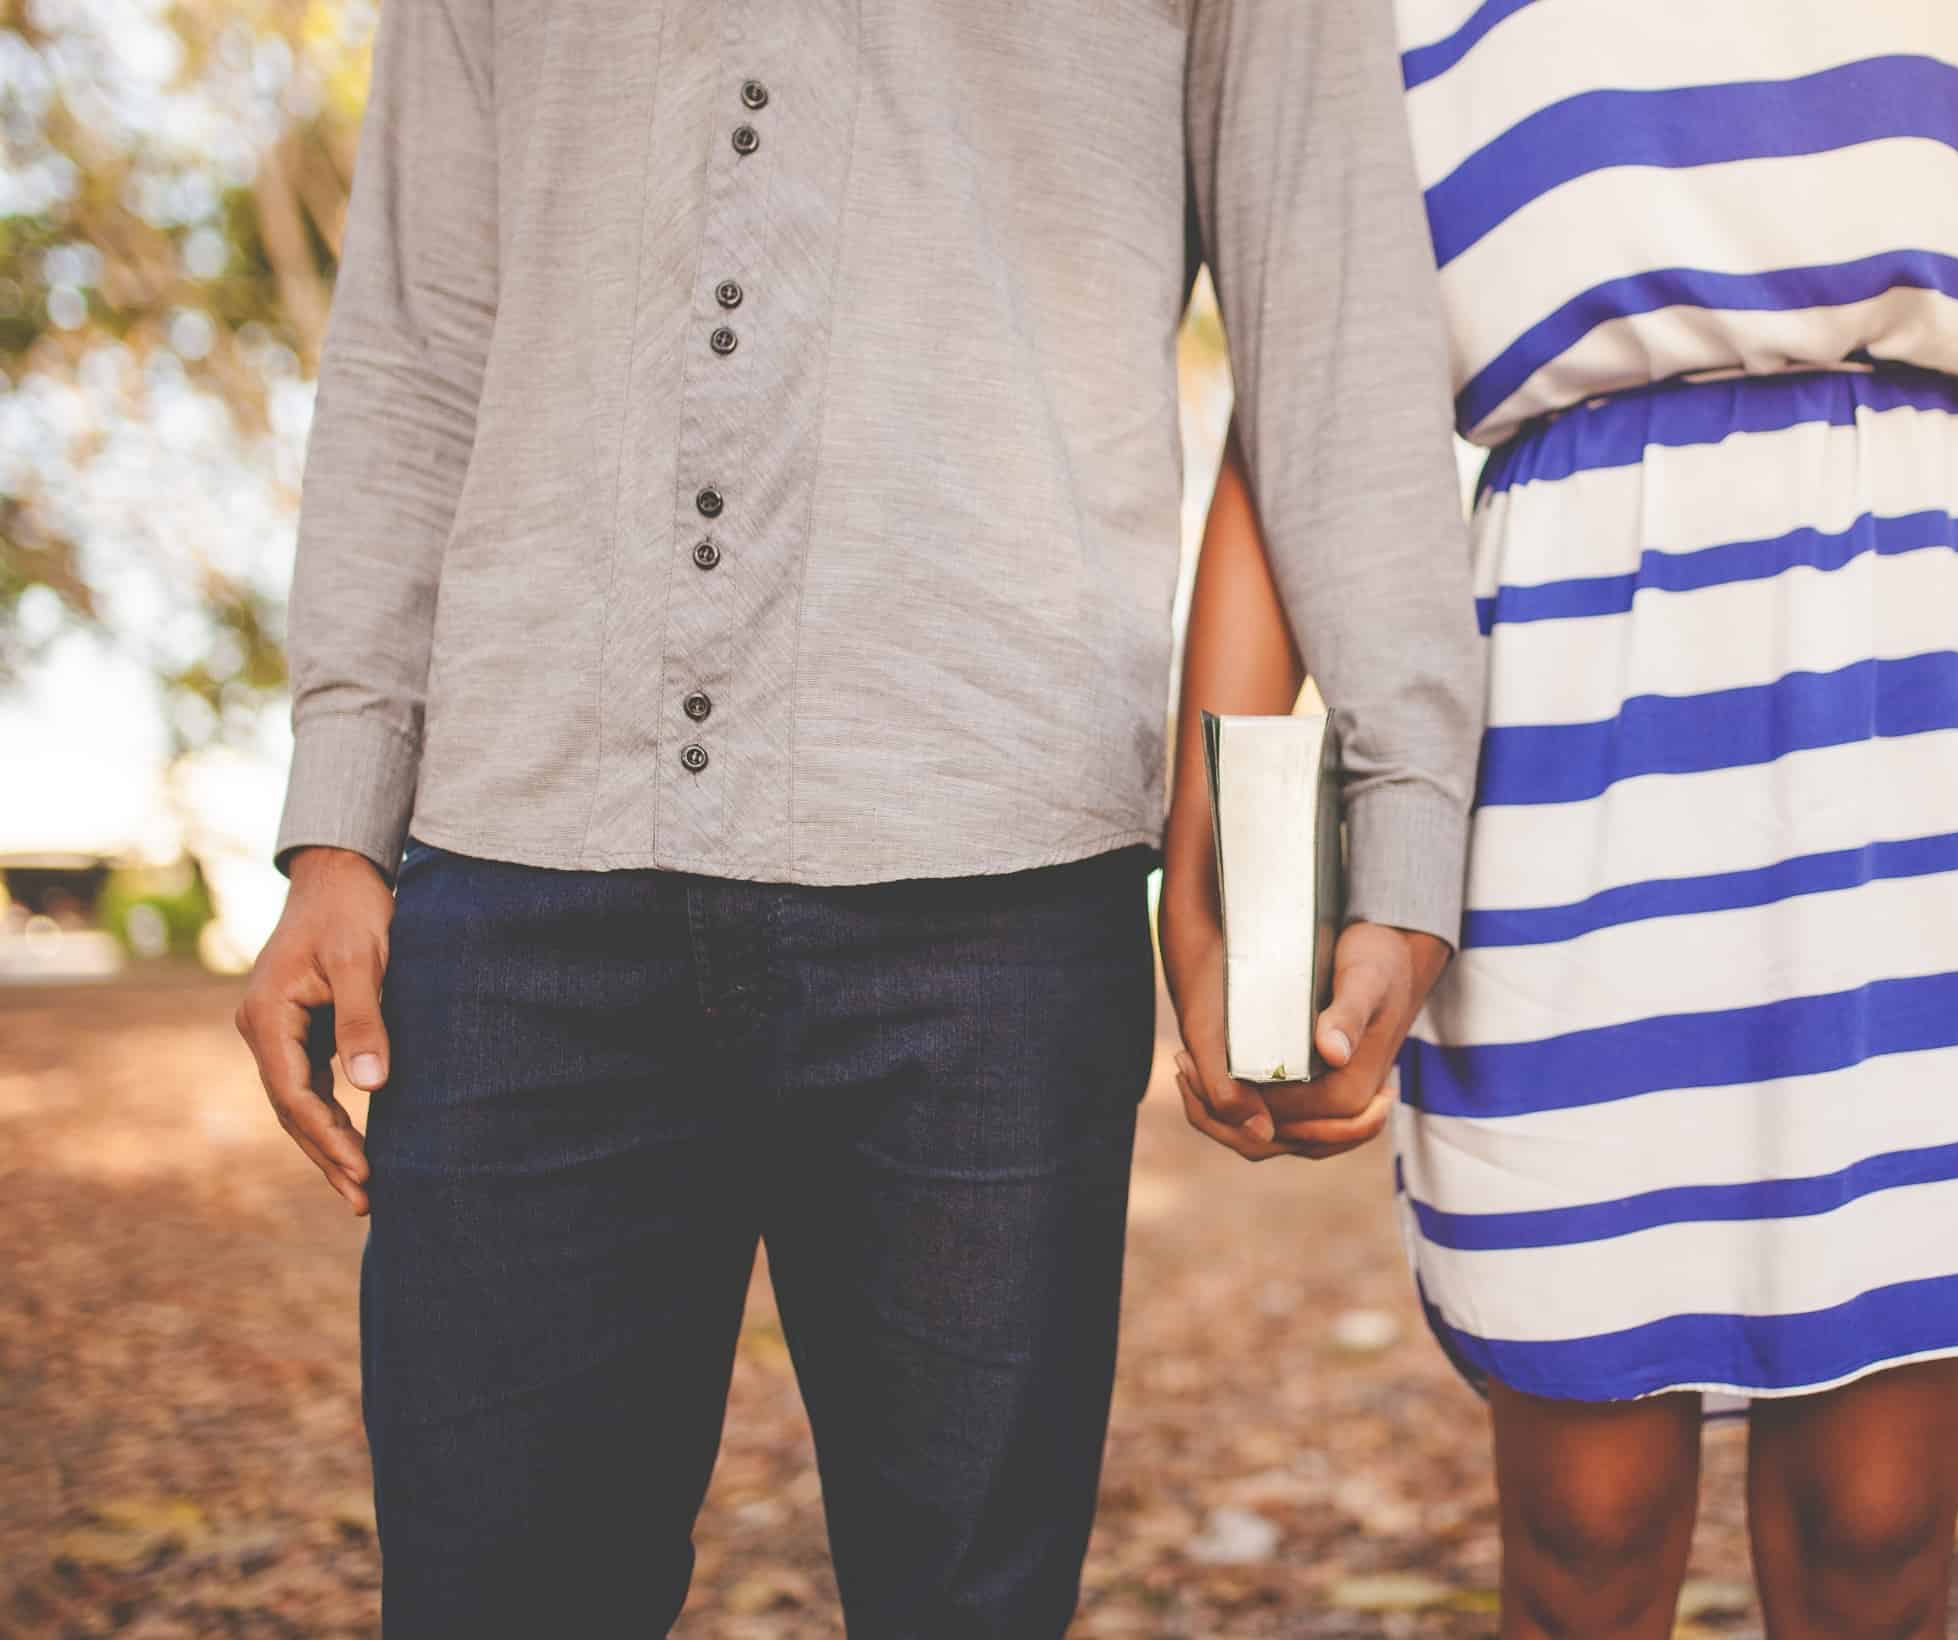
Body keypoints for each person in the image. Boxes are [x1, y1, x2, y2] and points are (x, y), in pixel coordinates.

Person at [230, 3, 1481, 1634]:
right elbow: (413, 335)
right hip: (522, 868)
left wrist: (1396, 831)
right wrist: (339, 823)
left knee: (966, 1606)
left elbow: (1332, 321)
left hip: (991, 896)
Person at [1162, 3, 1958, 1635]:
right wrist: (1210, 887)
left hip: (1921, 720)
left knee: (1878, 1522)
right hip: (1562, 739)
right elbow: (1304, 405)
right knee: (1587, 1522)